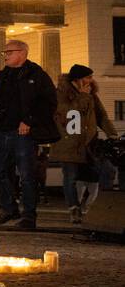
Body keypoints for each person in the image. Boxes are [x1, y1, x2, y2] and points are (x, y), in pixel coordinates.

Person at [0, 39, 58, 229]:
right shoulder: (3, 75)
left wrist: (29, 121)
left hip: (23, 132)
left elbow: (48, 102)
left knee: (27, 175)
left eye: (9, 52)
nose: (5, 55)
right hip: (0, 130)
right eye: (5, 52)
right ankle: (10, 209)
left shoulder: (37, 74)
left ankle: (29, 216)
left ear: (22, 54)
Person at [49, 64, 117, 224]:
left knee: (104, 172)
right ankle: (74, 208)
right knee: (70, 177)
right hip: (68, 143)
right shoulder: (62, 94)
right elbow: (70, 113)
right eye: (87, 77)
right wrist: (84, 97)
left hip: (89, 144)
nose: (90, 80)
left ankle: (94, 207)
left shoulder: (91, 94)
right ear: (78, 79)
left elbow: (101, 116)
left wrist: (112, 133)